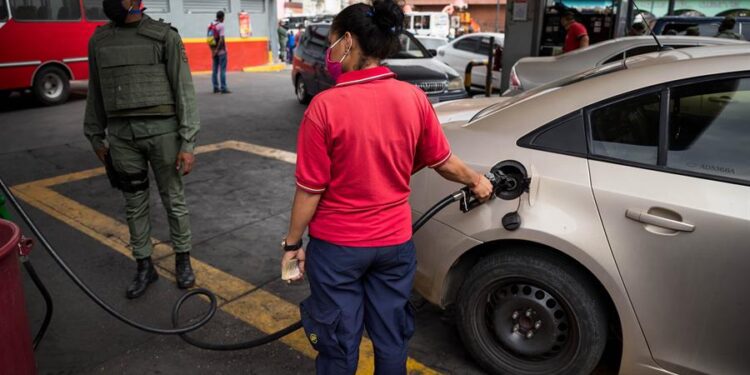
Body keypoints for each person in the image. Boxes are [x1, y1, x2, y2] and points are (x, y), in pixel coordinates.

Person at [280, 0, 493, 373]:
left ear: (348, 41)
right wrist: (478, 181)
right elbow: (443, 162)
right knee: (392, 338)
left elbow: (310, 189)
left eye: (332, 41)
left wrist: (293, 244)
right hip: (394, 246)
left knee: (338, 341)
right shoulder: (413, 99)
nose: (330, 52)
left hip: (337, 250)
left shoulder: (324, 107)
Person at [84, 0, 200, 299]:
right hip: (122, 137)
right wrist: (95, 134)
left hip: (163, 133)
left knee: (173, 199)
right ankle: (144, 265)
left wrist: (187, 141)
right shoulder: (100, 41)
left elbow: (183, 90)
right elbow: (95, 91)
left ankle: (183, 260)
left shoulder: (165, 36)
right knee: (134, 203)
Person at [210, 11, 230, 93]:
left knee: (214, 70)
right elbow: (221, 39)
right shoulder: (221, 25)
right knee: (222, 70)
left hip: (214, 51)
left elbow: (209, 40)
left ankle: (215, 87)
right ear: (222, 17)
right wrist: (218, 50)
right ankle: (223, 88)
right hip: (221, 52)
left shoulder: (211, 24)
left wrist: (213, 51)